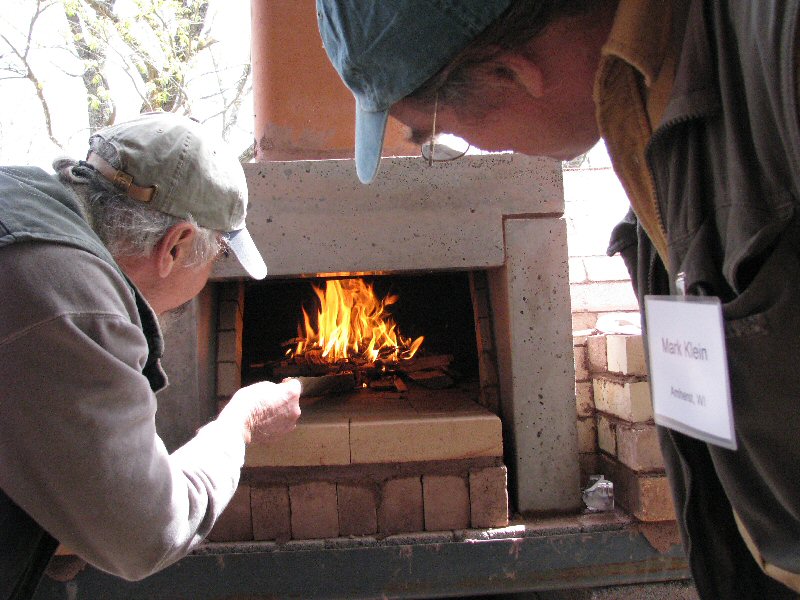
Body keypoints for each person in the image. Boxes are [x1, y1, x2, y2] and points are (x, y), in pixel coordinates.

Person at [315, 1, 800, 598]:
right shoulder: (643, 101)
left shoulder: (779, 50)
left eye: (438, 134)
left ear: (511, 74)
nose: (448, 149)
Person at [0, 111, 302, 598]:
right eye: (219, 253)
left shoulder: (23, 215)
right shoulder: (74, 303)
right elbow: (147, 535)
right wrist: (239, 422)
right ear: (177, 245)